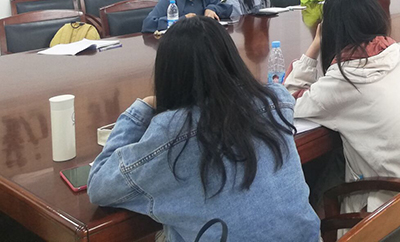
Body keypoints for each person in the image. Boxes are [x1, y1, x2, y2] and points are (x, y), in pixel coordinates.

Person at [88, 17, 320, 242]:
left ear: (169, 75)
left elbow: (99, 184)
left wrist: (143, 108)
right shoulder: (275, 99)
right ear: (231, 59)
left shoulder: (172, 132)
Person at [285, 0, 400, 213]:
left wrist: (316, 44)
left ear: (331, 32)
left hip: (398, 209)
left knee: (317, 180)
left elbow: (289, 101)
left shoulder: (344, 79)